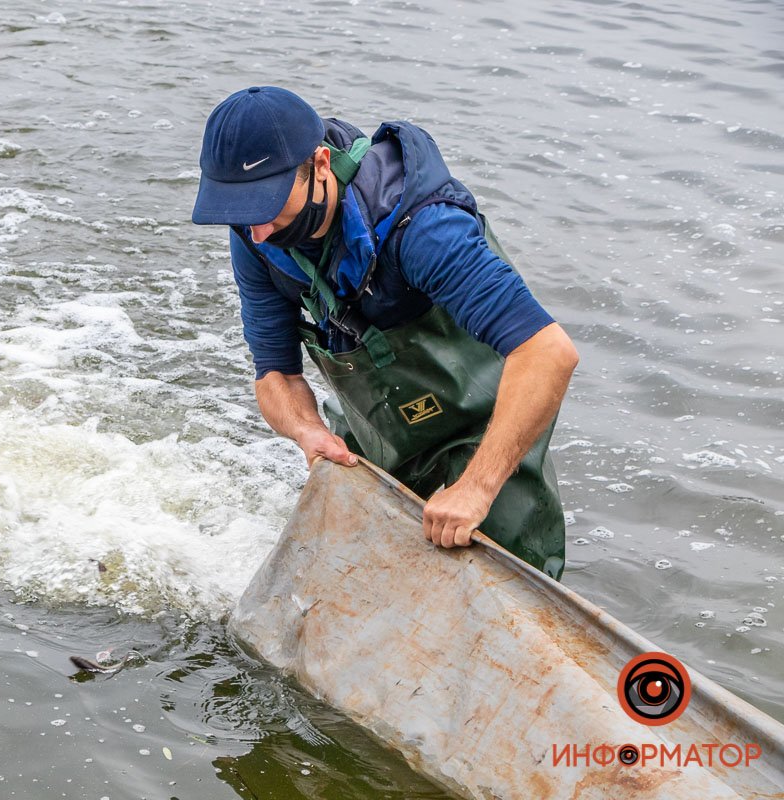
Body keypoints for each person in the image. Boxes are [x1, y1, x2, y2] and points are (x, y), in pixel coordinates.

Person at [191, 86, 577, 580]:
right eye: (238, 209)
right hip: (376, 430)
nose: (256, 231)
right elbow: (275, 376)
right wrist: (307, 432)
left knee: (503, 591)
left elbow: (547, 352)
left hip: (484, 430)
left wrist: (475, 489)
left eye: (264, 204)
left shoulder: (426, 231)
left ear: (321, 165)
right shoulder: (257, 233)